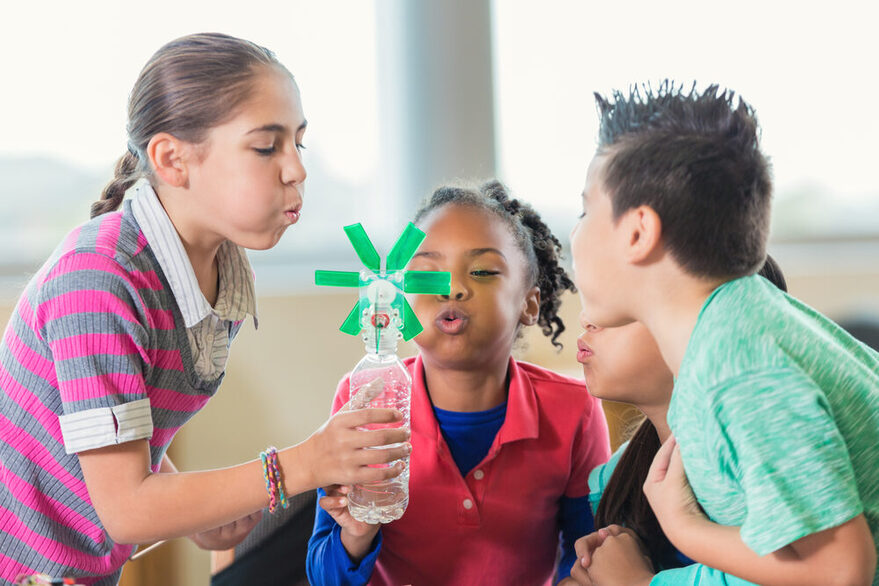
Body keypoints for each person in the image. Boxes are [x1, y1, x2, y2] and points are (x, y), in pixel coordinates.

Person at [0, 33, 408, 585]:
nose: (296, 169)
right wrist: (303, 464)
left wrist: (192, 507)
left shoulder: (225, 278)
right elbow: (127, 510)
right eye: (266, 147)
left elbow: (122, 423)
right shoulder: (97, 279)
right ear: (172, 159)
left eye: (298, 143)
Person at [568, 81, 879, 586]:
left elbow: (842, 571)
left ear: (638, 233)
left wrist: (682, 528)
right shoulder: (737, 330)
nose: (574, 234)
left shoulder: (736, 363)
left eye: (585, 211)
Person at [307, 181, 611, 585]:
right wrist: (358, 533)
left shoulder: (574, 409)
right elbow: (324, 577)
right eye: (425, 274)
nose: (451, 288)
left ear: (529, 304)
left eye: (482, 271)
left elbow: (587, 554)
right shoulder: (362, 397)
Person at [569, 256, 787, 586]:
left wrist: (639, 582)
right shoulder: (617, 476)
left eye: (624, 303)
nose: (588, 318)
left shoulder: (765, 463)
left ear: (705, 330)